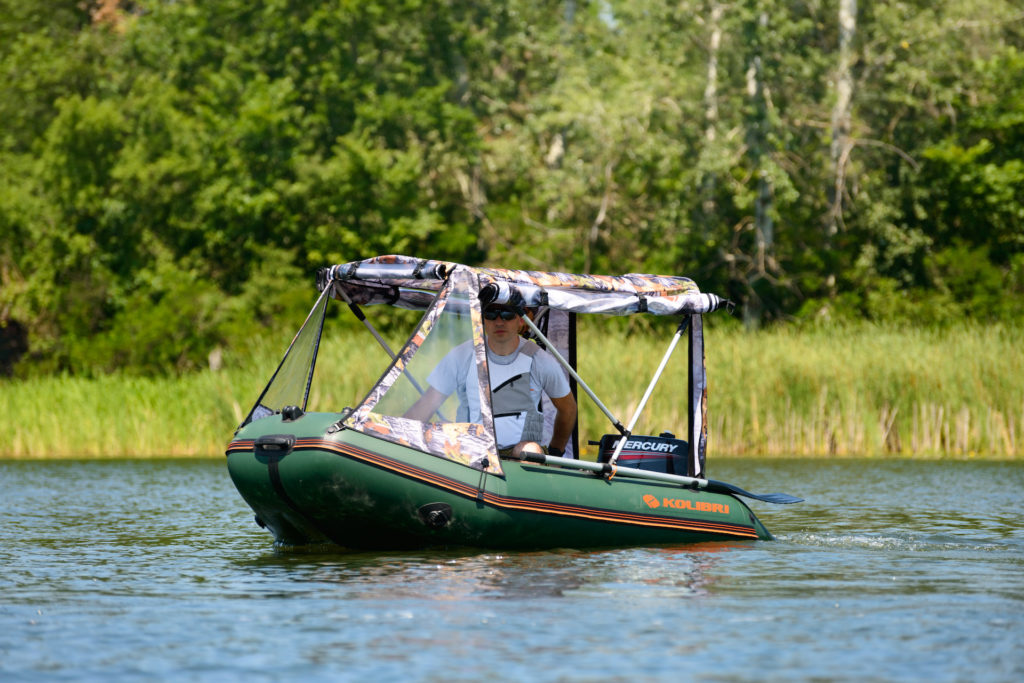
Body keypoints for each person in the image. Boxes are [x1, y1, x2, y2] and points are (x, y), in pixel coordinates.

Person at [404, 304, 577, 458]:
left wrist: (556, 453)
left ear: (521, 320)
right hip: (471, 447)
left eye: (507, 314)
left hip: (519, 454)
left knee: (530, 450)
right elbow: (426, 405)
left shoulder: (540, 360)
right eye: (491, 314)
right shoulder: (461, 355)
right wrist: (396, 435)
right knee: (440, 429)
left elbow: (568, 409)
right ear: (482, 319)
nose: (499, 321)